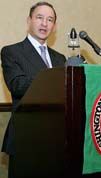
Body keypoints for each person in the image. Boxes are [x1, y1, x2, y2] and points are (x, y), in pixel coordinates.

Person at [1, 2, 66, 177]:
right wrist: (53, 79)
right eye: (39, 18)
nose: (44, 23)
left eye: (50, 19)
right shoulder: (11, 52)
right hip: (26, 138)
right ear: (29, 21)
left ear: (54, 26)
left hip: (58, 140)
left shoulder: (60, 59)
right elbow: (17, 85)